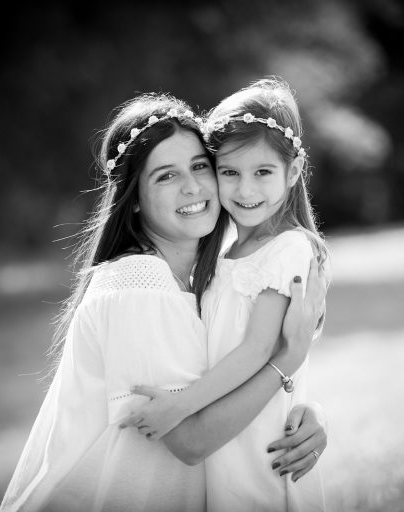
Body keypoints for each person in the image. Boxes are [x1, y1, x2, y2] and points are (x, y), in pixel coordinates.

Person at [0, 93, 328, 512]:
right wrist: (288, 361)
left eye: (198, 167)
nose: (192, 186)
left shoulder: (197, 280)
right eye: (165, 176)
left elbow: (224, 371)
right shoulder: (139, 289)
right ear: (133, 198)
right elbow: (192, 441)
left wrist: (306, 411)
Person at [121, 78, 329, 511]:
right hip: (222, 429)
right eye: (229, 173)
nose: (246, 190)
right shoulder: (225, 250)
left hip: (259, 432)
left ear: (293, 171)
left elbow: (258, 349)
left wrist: (179, 405)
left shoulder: (289, 249)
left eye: (263, 173)